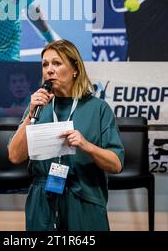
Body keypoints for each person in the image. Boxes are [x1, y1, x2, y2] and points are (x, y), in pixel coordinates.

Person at [8, 39, 124, 231]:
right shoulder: (37, 108)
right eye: (45, 64)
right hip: (43, 198)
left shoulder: (98, 108)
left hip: (84, 195)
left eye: (57, 63)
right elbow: (14, 155)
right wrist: (29, 116)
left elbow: (115, 164)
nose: (49, 70)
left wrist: (87, 145)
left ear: (75, 69)